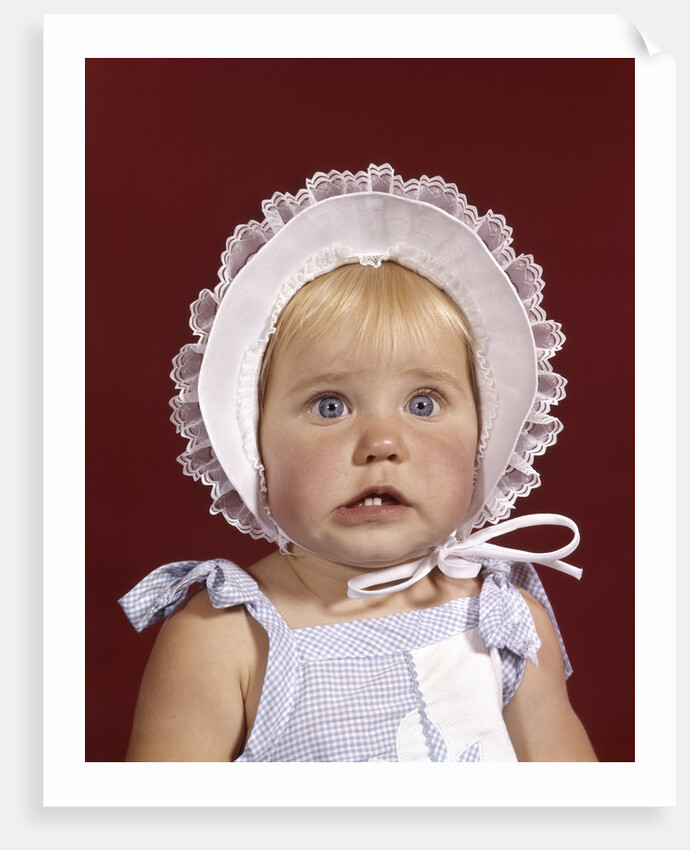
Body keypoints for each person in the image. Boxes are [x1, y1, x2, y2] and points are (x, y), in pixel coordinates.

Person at [119, 163, 597, 762]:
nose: (381, 442)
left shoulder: (502, 615)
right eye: (330, 405)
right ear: (251, 440)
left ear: (484, 436)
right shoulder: (226, 635)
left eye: (423, 404)